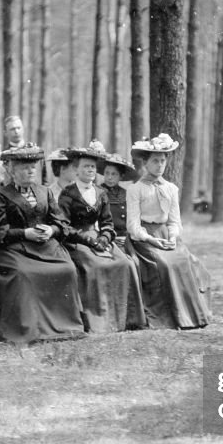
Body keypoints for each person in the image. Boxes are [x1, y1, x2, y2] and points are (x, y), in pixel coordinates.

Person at [0, 143, 84, 344]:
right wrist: (24, 233)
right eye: (24, 167)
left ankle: (65, 326)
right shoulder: (1, 196)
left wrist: (52, 230)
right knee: (24, 275)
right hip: (12, 249)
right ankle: (29, 328)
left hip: (45, 247)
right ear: (11, 170)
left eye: (33, 167)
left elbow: (61, 222)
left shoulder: (44, 192)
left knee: (68, 268)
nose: (30, 171)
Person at [125, 134, 211, 330]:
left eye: (163, 161)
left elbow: (175, 221)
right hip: (144, 238)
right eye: (155, 161)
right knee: (164, 264)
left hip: (166, 235)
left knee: (185, 260)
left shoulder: (171, 188)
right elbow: (133, 225)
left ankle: (193, 316)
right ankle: (170, 317)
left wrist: (172, 236)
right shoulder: (135, 190)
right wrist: (151, 240)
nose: (160, 165)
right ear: (145, 163)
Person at [58, 143, 146, 333]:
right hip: (77, 241)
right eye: (85, 167)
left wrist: (105, 237)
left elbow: (107, 222)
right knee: (95, 267)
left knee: (127, 264)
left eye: (92, 167)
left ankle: (128, 319)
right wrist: (87, 240)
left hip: (100, 239)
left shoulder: (100, 192)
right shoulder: (68, 193)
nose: (90, 170)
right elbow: (63, 226)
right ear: (76, 170)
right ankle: (98, 321)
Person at [99, 153, 136, 242]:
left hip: (125, 238)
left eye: (114, 174)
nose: (109, 177)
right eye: (107, 173)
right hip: (105, 237)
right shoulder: (98, 192)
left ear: (121, 176)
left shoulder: (126, 193)